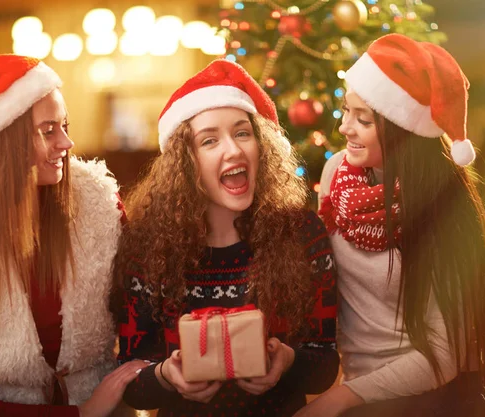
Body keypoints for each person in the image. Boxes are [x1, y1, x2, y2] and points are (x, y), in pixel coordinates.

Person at [0, 55, 147, 417]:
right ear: (4, 138)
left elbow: (140, 314)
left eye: (65, 125)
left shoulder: (100, 202)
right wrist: (79, 414)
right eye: (48, 130)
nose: (67, 142)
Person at [111, 59, 339, 417]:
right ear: (184, 162)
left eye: (242, 132)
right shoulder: (146, 247)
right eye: (210, 140)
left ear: (261, 145)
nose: (233, 151)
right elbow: (132, 384)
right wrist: (166, 375)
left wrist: (287, 361)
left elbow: (325, 365)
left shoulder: (303, 234)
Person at [294, 34, 485, 417]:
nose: (344, 128)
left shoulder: (443, 207)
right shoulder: (337, 171)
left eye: (363, 119)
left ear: (403, 130)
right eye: (345, 111)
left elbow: (442, 354)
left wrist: (342, 397)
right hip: (358, 393)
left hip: (429, 400)